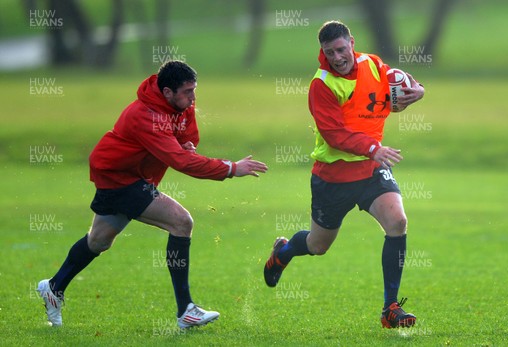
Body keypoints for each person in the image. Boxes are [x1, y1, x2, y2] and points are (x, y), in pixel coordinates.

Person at [37, 60, 268, 329]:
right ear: (167, 92)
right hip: (119, 178)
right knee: (182, 222)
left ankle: (54, 288)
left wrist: (183, 144)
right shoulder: (145, 116)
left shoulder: (181, 106)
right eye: (187, 92)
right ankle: (186, 310)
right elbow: (181, 161)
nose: (193, 98)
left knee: (99, 241)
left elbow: (187, 138)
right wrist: (230, 168)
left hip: (131, 176)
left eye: (194, 90)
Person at [263, 21, 424, 329]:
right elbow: (335, 135)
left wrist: (416, 92)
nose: (336, 57)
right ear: (322, 52)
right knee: (318, 245)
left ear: (352, 42)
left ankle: (390, 309)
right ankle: (282, 253)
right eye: (329, 52)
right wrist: (373, 147)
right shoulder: (321, 84)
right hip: (333, 177)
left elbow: (399, 85)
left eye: (340, 49)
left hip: (371, 169)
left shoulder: (373, 64)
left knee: (398, 222)